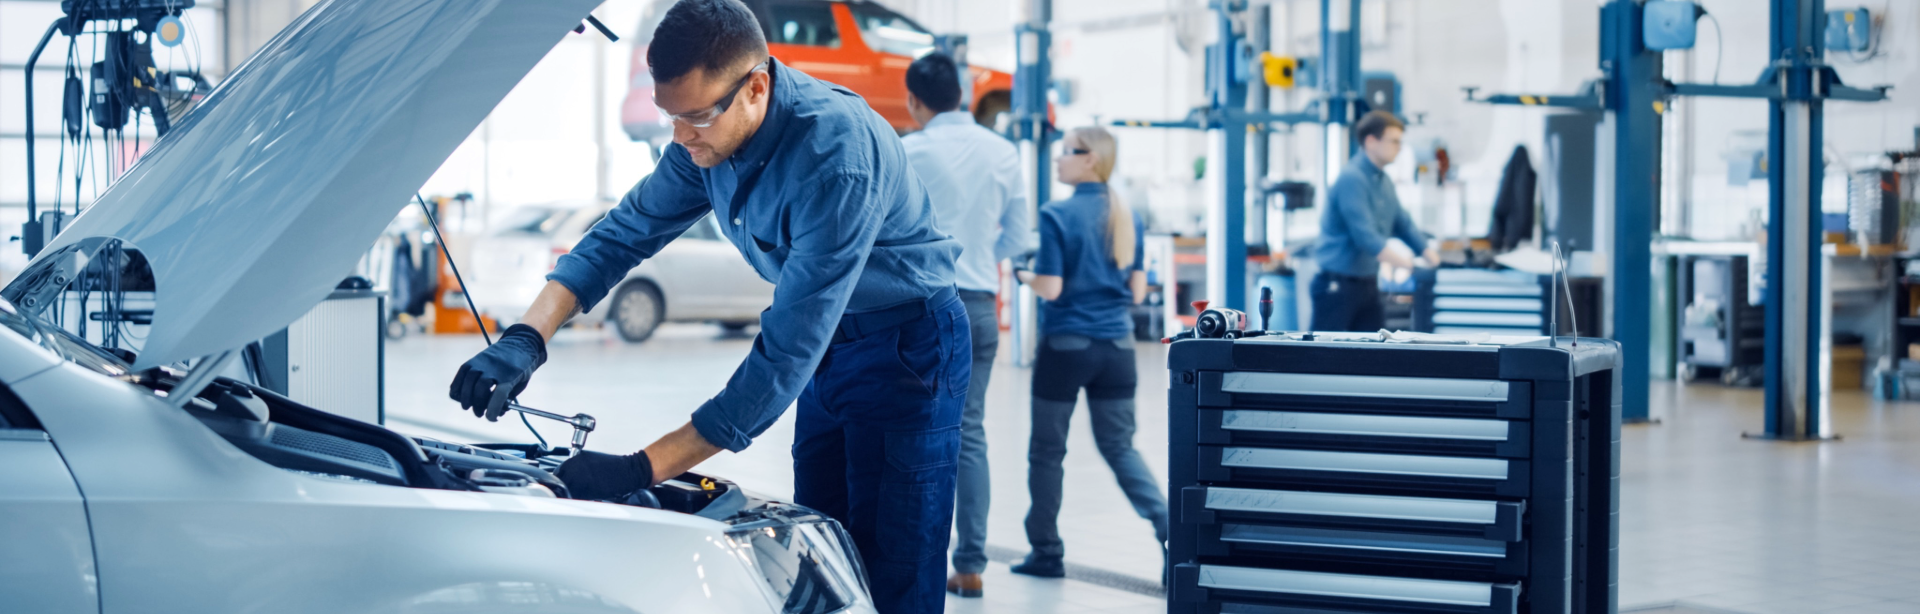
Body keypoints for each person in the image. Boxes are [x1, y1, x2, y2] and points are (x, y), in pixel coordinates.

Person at [444, 1, 966, 611]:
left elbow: (784, 357)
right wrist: (526, 338)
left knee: (894, 569)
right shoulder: (707, 137)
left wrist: (642, 469)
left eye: (695, 116)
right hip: (834, 350)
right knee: (825, 557)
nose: (680, 135)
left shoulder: (836, 158)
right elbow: (621, 235)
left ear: (756, 88)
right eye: (671, 117)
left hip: (909, 352)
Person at [898, 52, 1030, 600]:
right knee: (968, 432)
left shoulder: (907, 151)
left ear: (912, 101)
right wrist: (977, 257)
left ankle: (911, 561)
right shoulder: (1003, 152)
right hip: (978, 305)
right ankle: (970, 564)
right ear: (965, 95)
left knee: (909, 432)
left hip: (920, 307)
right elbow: (1017, 240)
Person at [1011, 126, 1169, 580]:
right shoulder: (1127, 214)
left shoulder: (1057, 213)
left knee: (1046, 451)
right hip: (1118, 348)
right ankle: (1168, 526)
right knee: (1120, 447)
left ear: (1090, 160)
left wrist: (1022, 275)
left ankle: (1046, 551)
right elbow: (1137, 291)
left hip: (1066, 347)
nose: (1058, 160)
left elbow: (1052, 287)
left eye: (1066, 153)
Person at [1311, 110, 1436, 332]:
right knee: (1325, 359)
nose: (1399, 147)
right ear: (1371, 141)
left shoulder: (1383, 180)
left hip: (1367, 283)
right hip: (1337, 287)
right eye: (1394, 141)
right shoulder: (1352, 179)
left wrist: (1428, 253)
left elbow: (1402, 223)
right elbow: (1365, 237)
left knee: (1370, 356)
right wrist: (1407, 263)